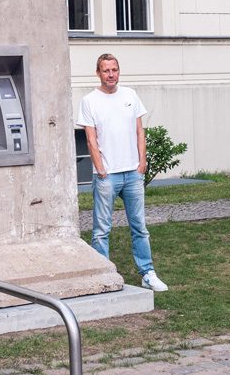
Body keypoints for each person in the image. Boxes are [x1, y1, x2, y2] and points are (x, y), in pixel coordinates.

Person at [76, 53, 168, 292]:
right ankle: (102, 277)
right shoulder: (89, 100)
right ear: (98, 73)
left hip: (133, 174)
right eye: (106, 70)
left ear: (119, 71)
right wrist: (101, 169)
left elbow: (139, 131)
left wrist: (142, 162)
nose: (111, 75)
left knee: (140, 227)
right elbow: (90, 139)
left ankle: (147, 273)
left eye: (114, 70)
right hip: (107, 176)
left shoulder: (130, 95)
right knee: (101, 231)